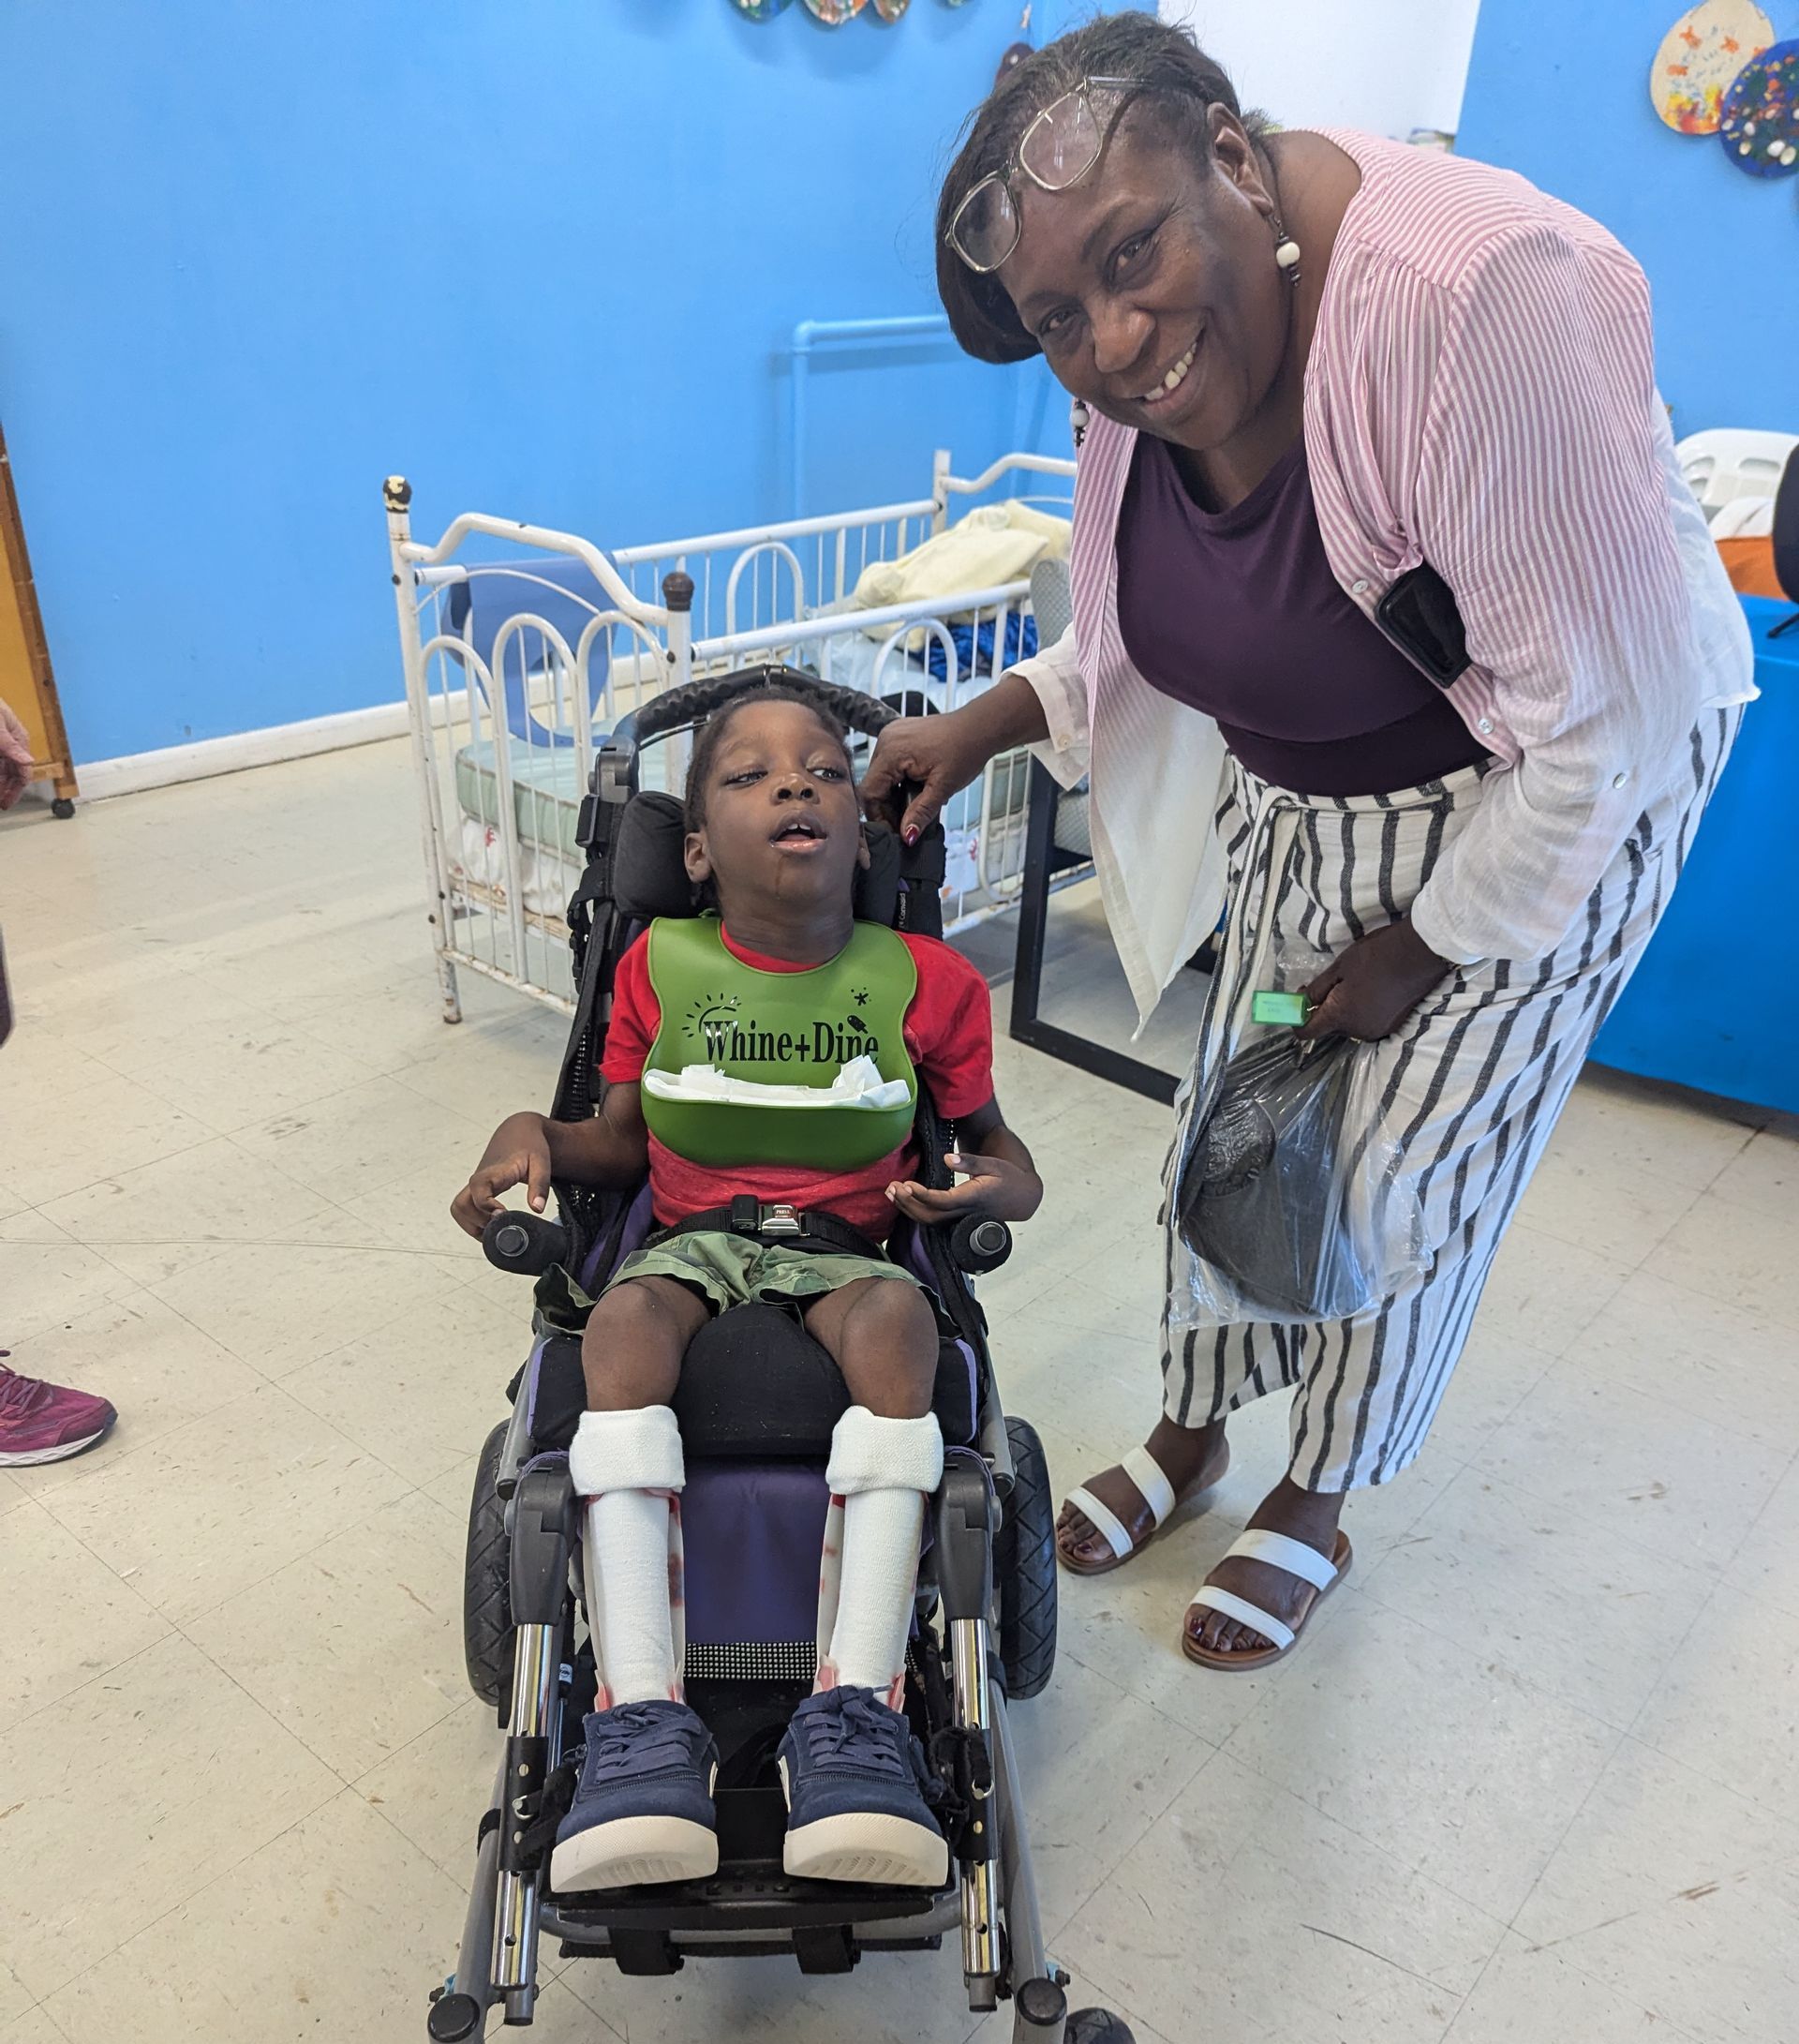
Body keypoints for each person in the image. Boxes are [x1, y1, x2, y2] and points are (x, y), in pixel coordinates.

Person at [862, 13, 1752, 1673]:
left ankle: (1321, 1490)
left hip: (1544, 789)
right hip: (1305, 797)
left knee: (1389, 1179)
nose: (1118, 342)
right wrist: (979, 724)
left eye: (1137, 257)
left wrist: (1422, 951)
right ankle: (1196, 1435)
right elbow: (1160, 626)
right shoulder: (1131, 378)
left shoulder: (1475, 300)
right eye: (1064, 315)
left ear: (1234, 155)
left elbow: (1603, 722)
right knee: (1233, 1134)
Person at [452, 690, 1042, 1891]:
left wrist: (980, 1192)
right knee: (617, 1326)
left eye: (826, 771)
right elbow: (617, 1145)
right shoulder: (654, 967)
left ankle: (858, 1711)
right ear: (692, 850)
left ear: (864, 834)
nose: (795, 785)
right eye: (751, 776)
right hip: (691, 1237)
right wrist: (537, 1133)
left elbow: (1011, 1165)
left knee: (899, 1325)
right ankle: (640, 1720)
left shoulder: (927, 982)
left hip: (848, 1246)